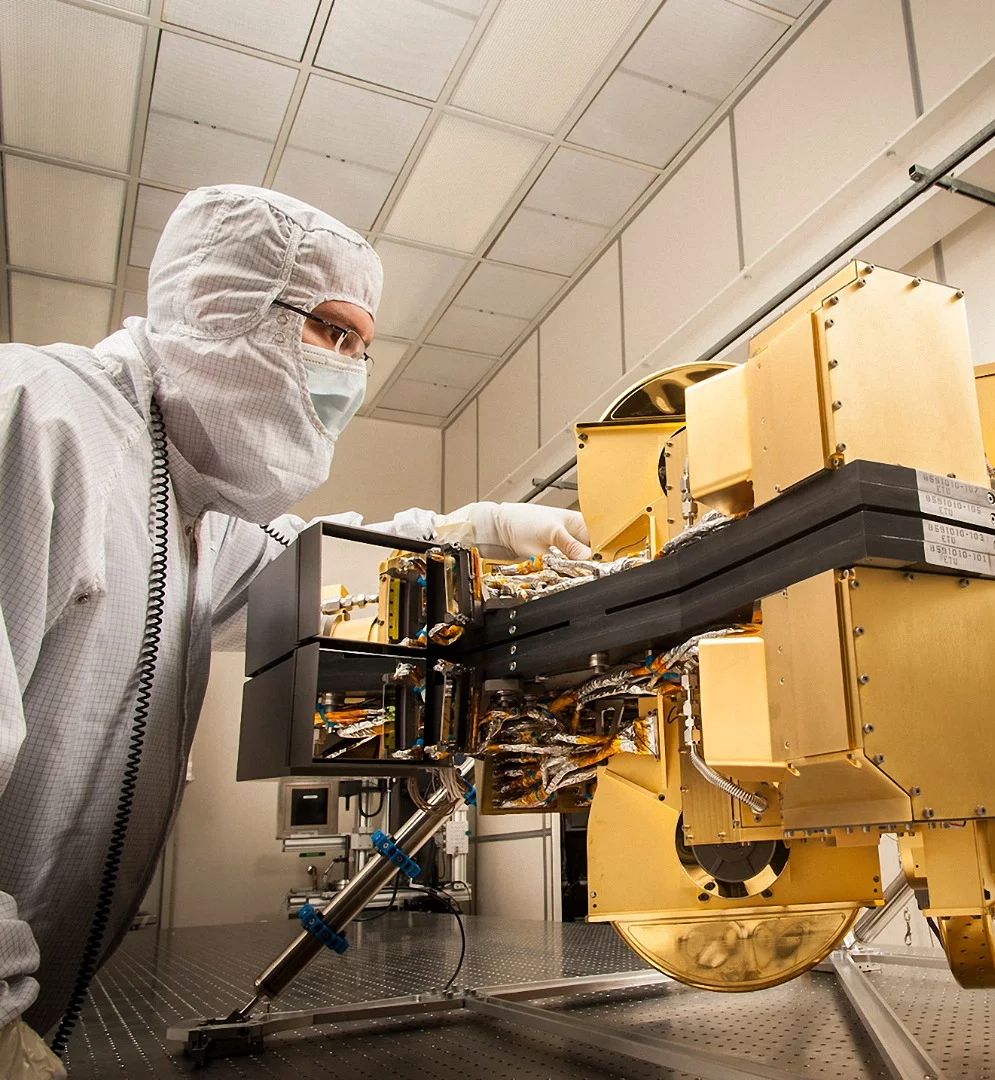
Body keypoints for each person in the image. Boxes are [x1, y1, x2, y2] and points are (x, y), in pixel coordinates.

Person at [0, 185, 589, 1072]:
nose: (349, 373)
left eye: (363, 348)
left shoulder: (194, 511)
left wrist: (488, 528)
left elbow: (332, 558)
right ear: (222, 305)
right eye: (333, 331)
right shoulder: (39, 417)